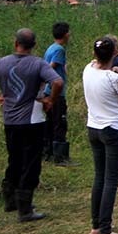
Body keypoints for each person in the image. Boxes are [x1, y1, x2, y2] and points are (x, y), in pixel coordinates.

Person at [0, 29, 63, 222]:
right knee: (30, 163)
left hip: (10, 119)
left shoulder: (1, 62)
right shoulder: (38, 63)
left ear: (15, 43)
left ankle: (10, 199)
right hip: (31, 120)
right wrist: (50, 101)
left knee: (14, 159)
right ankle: (25, 208)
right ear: (34, 45)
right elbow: (57, 81)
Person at [82, 36, 118, 234]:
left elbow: (96, 62)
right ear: (115, 54)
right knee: (111, 180)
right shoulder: (113, 78)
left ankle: (96, 225)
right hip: (113, 129)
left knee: (99, 176)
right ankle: (106, 230)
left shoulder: (88, 70)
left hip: (93, 127)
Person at [43, 21, 73, 166]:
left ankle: (47, 153)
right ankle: (60, 157)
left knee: (49, 122)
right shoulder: (59, 50)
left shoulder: (50, 48)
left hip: (47, 91)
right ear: (65, 34)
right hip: (56, 92)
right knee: (60, 123)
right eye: (69, 32)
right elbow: (52, 66)